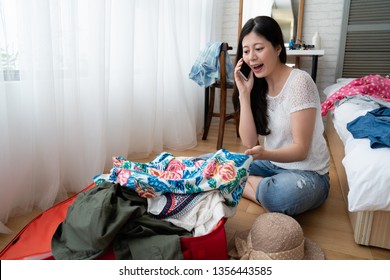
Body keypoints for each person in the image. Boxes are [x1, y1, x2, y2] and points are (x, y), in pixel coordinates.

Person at [233, 16, 330, 216]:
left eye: (259, 49)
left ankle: (239, 183)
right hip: (272, 166)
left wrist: (265, 154)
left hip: (308, 173)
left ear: (278, 48)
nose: (251, 57)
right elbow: (249, 143)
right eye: (246, 51)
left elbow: (301, 150)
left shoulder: (299, 82)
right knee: (215, 162)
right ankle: (250, 185)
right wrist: (244, 94)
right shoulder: (258, 85)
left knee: (280, 196)